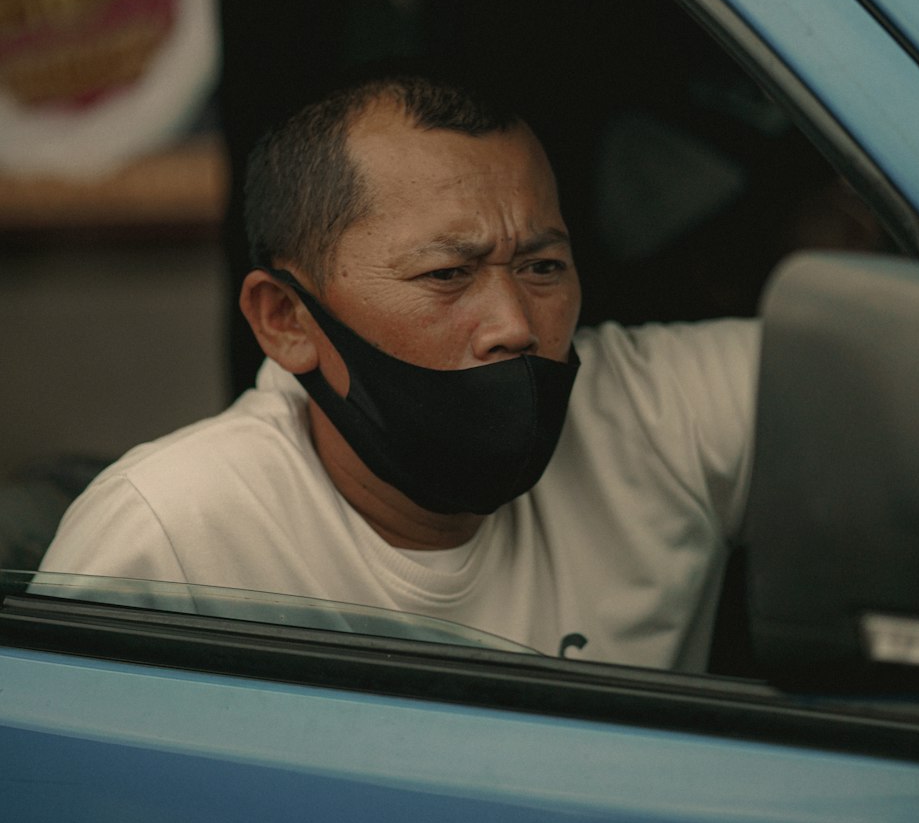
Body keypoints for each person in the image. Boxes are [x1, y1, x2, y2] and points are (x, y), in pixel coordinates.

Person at [39, 71, 758, 671]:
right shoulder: (175, 537)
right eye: (448, 273)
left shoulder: (652, 414)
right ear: (286, 320)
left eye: (543, 267)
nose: (513, 323)